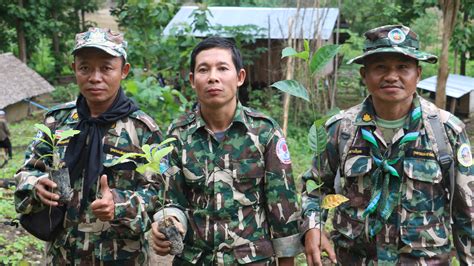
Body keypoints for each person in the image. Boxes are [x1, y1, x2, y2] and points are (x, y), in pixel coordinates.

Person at [300, 24, 473, 265]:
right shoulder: (341, 130)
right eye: (380, 67)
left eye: (403, 67)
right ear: (364, 75)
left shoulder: (445, 131)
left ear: (419, 73)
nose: (392, 76)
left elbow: (467, 212)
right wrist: (312, 226)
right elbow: (315, 189)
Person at [14, 27, 163, 264]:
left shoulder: (142, 130)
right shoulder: (56, 122)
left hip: (121, 257)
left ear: (124, 71)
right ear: (74, 69)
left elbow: (160, 193)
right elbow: (26, 170)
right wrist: (35, 184)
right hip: (63, 255)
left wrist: (120, 204)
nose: (95, 77)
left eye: (106, 68)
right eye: (85, 67)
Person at [150, 36, 302, 265]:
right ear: (192, 80)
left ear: (240, 77)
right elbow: (170, 198)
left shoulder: (264, 132)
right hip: (195, 259)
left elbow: (283, 207)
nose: (213, 77)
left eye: (222, 68)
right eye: (203, 70)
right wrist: (167, 223)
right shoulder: (177, 134)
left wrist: (287, 261)